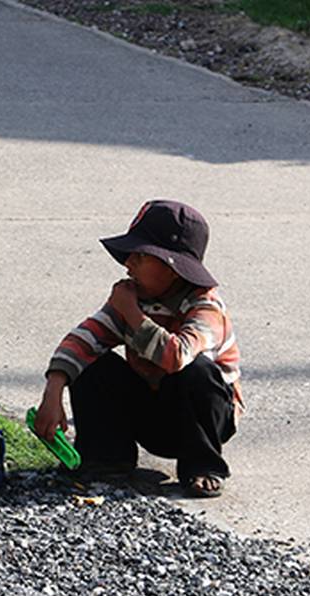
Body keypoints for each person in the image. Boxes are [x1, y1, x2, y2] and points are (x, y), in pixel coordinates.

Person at [32, 200, 244, 497]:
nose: (128, 263)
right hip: (150, 415)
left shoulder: (206, 307)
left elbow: (177, 356)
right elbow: (83, 339)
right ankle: (106, 459)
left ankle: (202, 466)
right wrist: (53, 391)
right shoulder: (132, 298)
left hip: (200, 421)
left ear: (173, 267)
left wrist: (132, 314)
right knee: (91, 361)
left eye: (140, 256)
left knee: (195, 371)